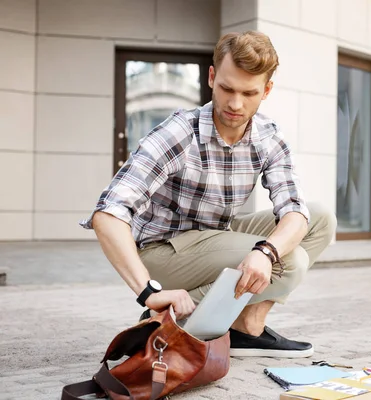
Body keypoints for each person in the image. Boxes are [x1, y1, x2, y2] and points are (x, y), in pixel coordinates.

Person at [80, 31, 337, 358]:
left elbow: (296, 213)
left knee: (320, 219)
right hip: (163, 249)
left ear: (266, 91)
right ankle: (166, 321)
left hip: (214, 237)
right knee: (289, 261)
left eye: (249, 92)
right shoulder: (180, 132)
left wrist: (265, 252)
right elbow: (108, 213)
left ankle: (247, 326)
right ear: (212, 77)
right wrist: (147, 291)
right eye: (227, 88)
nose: (235, 103)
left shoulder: (269, 136)